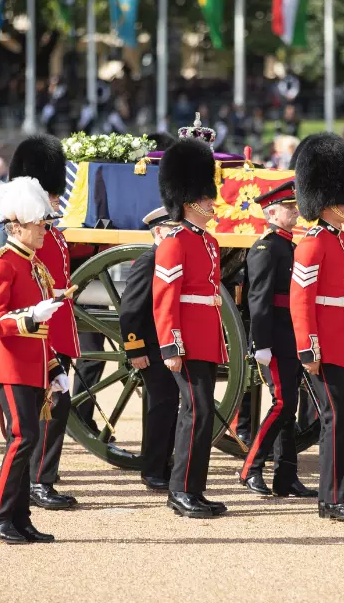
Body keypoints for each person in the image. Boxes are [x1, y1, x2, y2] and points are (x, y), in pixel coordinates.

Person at [0, 176, 65, 544]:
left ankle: (21, 517)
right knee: (22, 436)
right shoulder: (2, 264)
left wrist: (54, 367)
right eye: (38, 224)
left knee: (28, 439)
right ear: (16, 226)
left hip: (33, 365)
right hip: (10, 365)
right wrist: (29, 317)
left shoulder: (33, 264)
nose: (44, 229)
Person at [290, 133, 344, 522]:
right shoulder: (313, 243)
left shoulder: (339, 240)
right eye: (341, 201)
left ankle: (339, 496)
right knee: (334, 418)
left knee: (341, 419)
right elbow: (301, 300)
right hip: (321, 344)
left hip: (338, 340)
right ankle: (333, 500)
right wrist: (309, 348)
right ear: (322, 201)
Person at [153, 137, 229, 519]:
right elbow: (165, 298)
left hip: (206, 339)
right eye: (206, 198)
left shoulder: (209, 242)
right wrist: (171, 345)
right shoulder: (174, 242)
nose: (212, 204)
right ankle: (179, 490)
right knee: (194, 412)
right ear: (189, 202)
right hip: (184, 342)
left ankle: (194, 490)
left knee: (201, 414)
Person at [239, 180, 317, 499]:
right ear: (272, 212)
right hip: (274, 339)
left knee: (289, 409)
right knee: (282, 404)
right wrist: (262, 344)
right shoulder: (266, 247)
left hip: (290, 337)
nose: (296, 211)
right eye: (289, 207)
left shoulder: (287, 245)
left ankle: (286, 476)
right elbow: (258, 301)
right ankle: (251, 469)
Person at [22, 136, 81, 511]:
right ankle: (38, 480)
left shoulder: (54, 234)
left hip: (60, 328)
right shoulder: (31, 237)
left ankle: (43, 475)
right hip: (41, 330)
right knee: (52, 404)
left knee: (56, 405)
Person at [120, 207, 181, 491]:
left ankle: (163, 464)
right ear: (159, 231)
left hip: (168, 345)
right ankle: (152, 468)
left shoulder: (169, 259)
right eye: (172, 228)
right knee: (160, 408)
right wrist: (135, 349)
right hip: (151, 348)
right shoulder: (148, 262)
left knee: (169, 407)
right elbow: (130, 310)